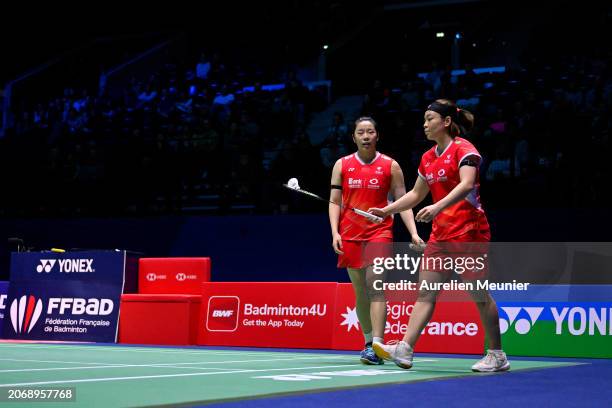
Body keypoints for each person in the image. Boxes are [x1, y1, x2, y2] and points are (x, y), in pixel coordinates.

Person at [368, 99, 510, 372]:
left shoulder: (464, 149)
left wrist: (437, 205)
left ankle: (497, 355)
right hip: (441, 235)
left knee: (479, 294)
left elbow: (467, 183)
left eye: (430, 118)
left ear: (446, 122)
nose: (425, 124)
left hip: (469, 232)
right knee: (425, 292)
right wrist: (386, 211)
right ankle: (406, 349)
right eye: (424, 119)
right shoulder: (428, 158)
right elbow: (415, 195)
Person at [329, 116, 424, 365]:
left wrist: (413, 232)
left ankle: (380, 344)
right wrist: (335, 233)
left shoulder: (390, 165)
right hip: (349, 234)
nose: (366, 136)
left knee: (375, 285)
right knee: (360, 291)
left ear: (377, 136)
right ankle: (369, 344)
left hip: (379, 232)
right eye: (361, 132)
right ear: (354, 137)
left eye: (370, 131)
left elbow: (404, 201)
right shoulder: (342, 165)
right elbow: (334, 202)